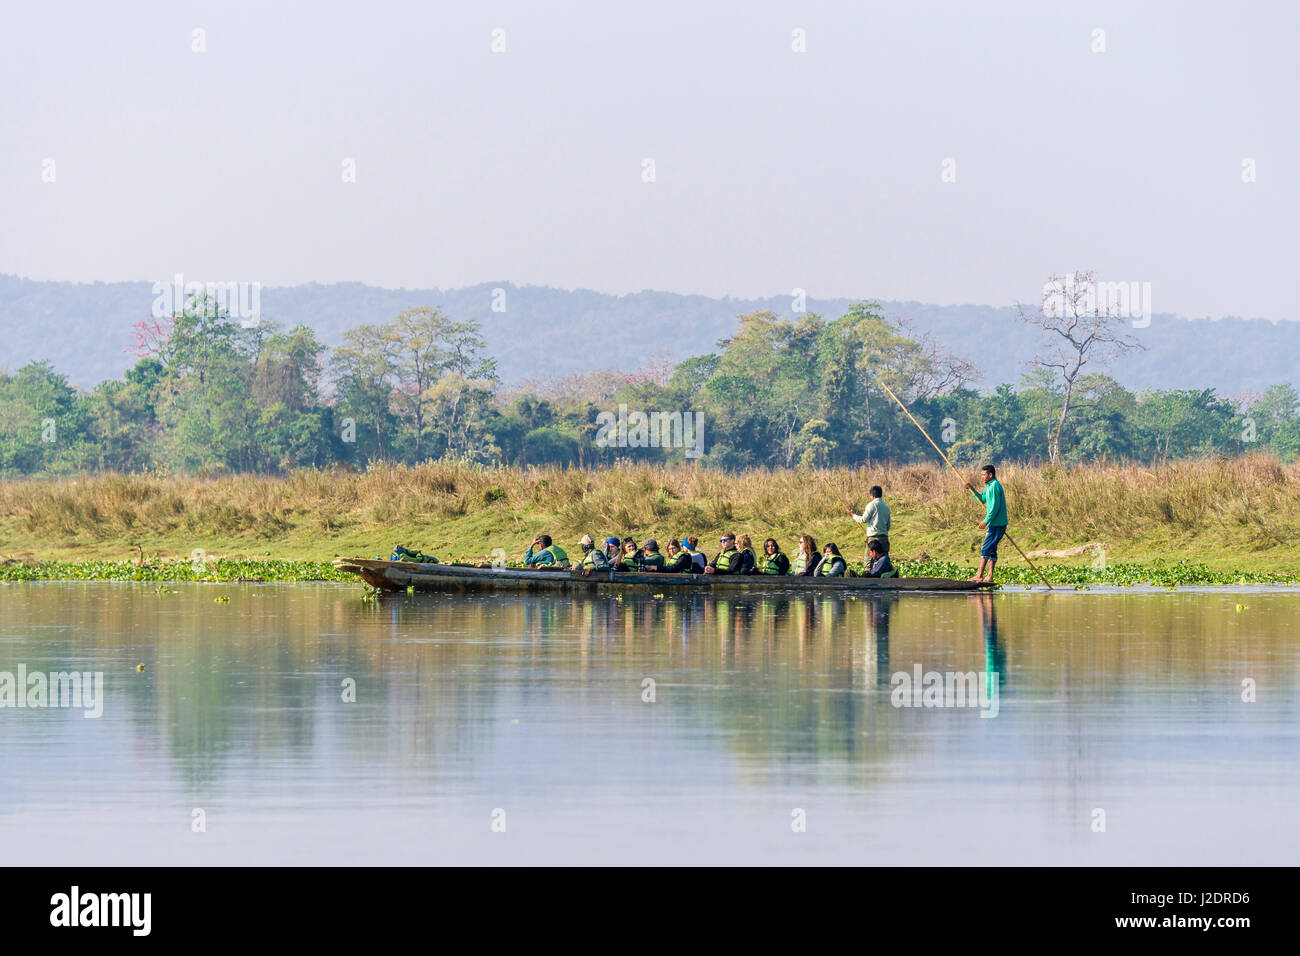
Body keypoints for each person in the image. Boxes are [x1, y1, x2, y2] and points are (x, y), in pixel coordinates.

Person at [965, 464, 1007, 583]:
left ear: (990, 475)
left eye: (984, 475)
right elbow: (982, 499)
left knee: (986, 548)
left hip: (997, 524)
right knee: (992, 548)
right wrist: (971, 489)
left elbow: (994, 507)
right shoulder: (989, 486)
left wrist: (986, 520)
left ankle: (979, 575)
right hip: (995, 523)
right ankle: (989, 576)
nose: (982, 477)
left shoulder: (994, 486)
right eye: (981, 475)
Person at [848, 485, 890, 558]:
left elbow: (863, 520)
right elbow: (888, 526)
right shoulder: (886, 507)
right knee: (884, 561)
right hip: (884, 539)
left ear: (872, 495)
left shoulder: (872, 505)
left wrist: (853, 515)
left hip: (873, 539)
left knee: (869, 562)